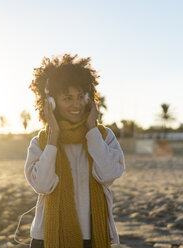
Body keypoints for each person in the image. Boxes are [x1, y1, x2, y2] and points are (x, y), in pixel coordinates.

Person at [24, 54, 125, 248]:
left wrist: (92, 131)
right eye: (67, 98)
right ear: (51, 102)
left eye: (80, 97)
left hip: (93, 237)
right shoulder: (41, 143)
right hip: (48, 237)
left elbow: (108, 175)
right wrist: (54, 137)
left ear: (89, 99)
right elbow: (43, 185)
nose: (76, 104)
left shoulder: (103, 137)